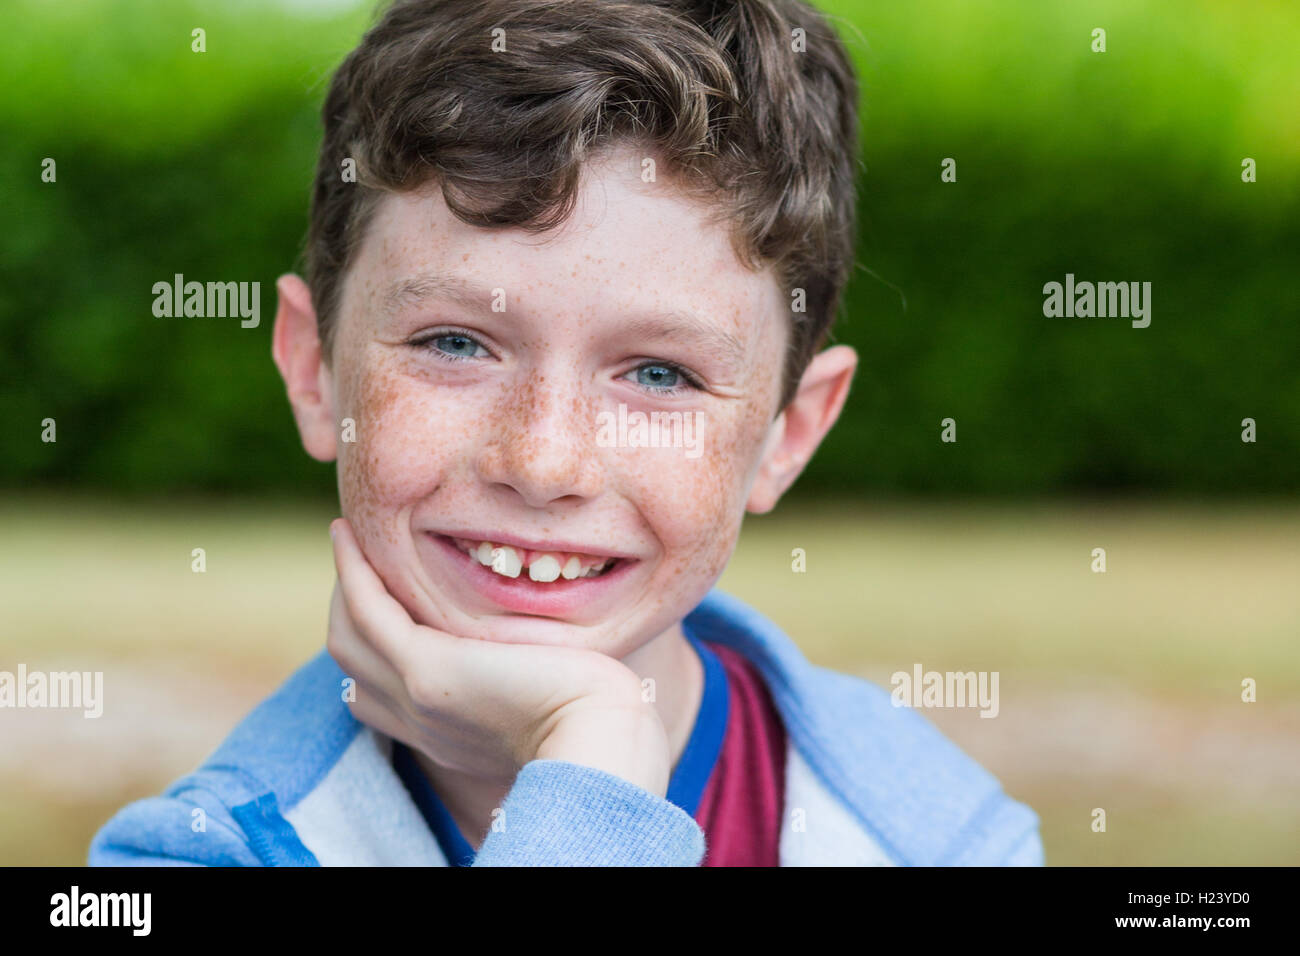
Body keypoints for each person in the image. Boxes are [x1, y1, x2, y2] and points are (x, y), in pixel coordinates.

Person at [89, 0, 1042, 866]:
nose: (544, 463)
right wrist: (594, 779)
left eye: (660, 374)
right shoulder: (197, 855)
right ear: (312, 369)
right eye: (457, 342)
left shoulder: (937, 840)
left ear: (790, 432)